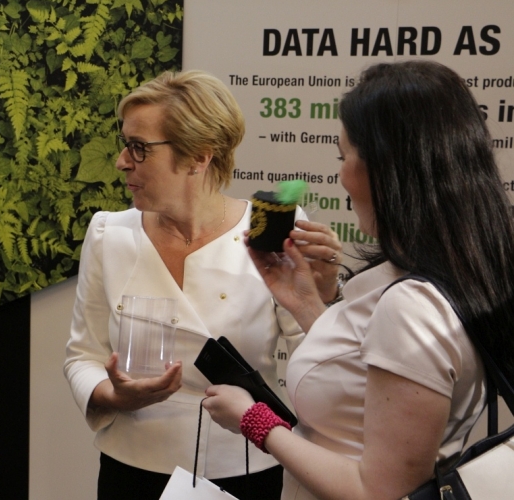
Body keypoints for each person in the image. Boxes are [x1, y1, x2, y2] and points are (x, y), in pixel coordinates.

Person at [203, 60, 514, 500]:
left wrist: (255, 421)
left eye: (343, 157)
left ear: (384, 169)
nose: (341, 175)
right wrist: (306, 304)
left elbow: (377, 491)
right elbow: (368, 379)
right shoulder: (463, 269)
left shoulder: (412, 307)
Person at [64, 70, 343, 499]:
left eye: (139, 148)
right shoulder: (109, 233)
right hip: (132, 467)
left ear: (198, 157)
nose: (121, 161)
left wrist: (324, 296)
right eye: (125, 143)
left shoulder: (265, 234)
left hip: (245, 465)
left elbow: (321, 364)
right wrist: (115, 397)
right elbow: (83, 356)